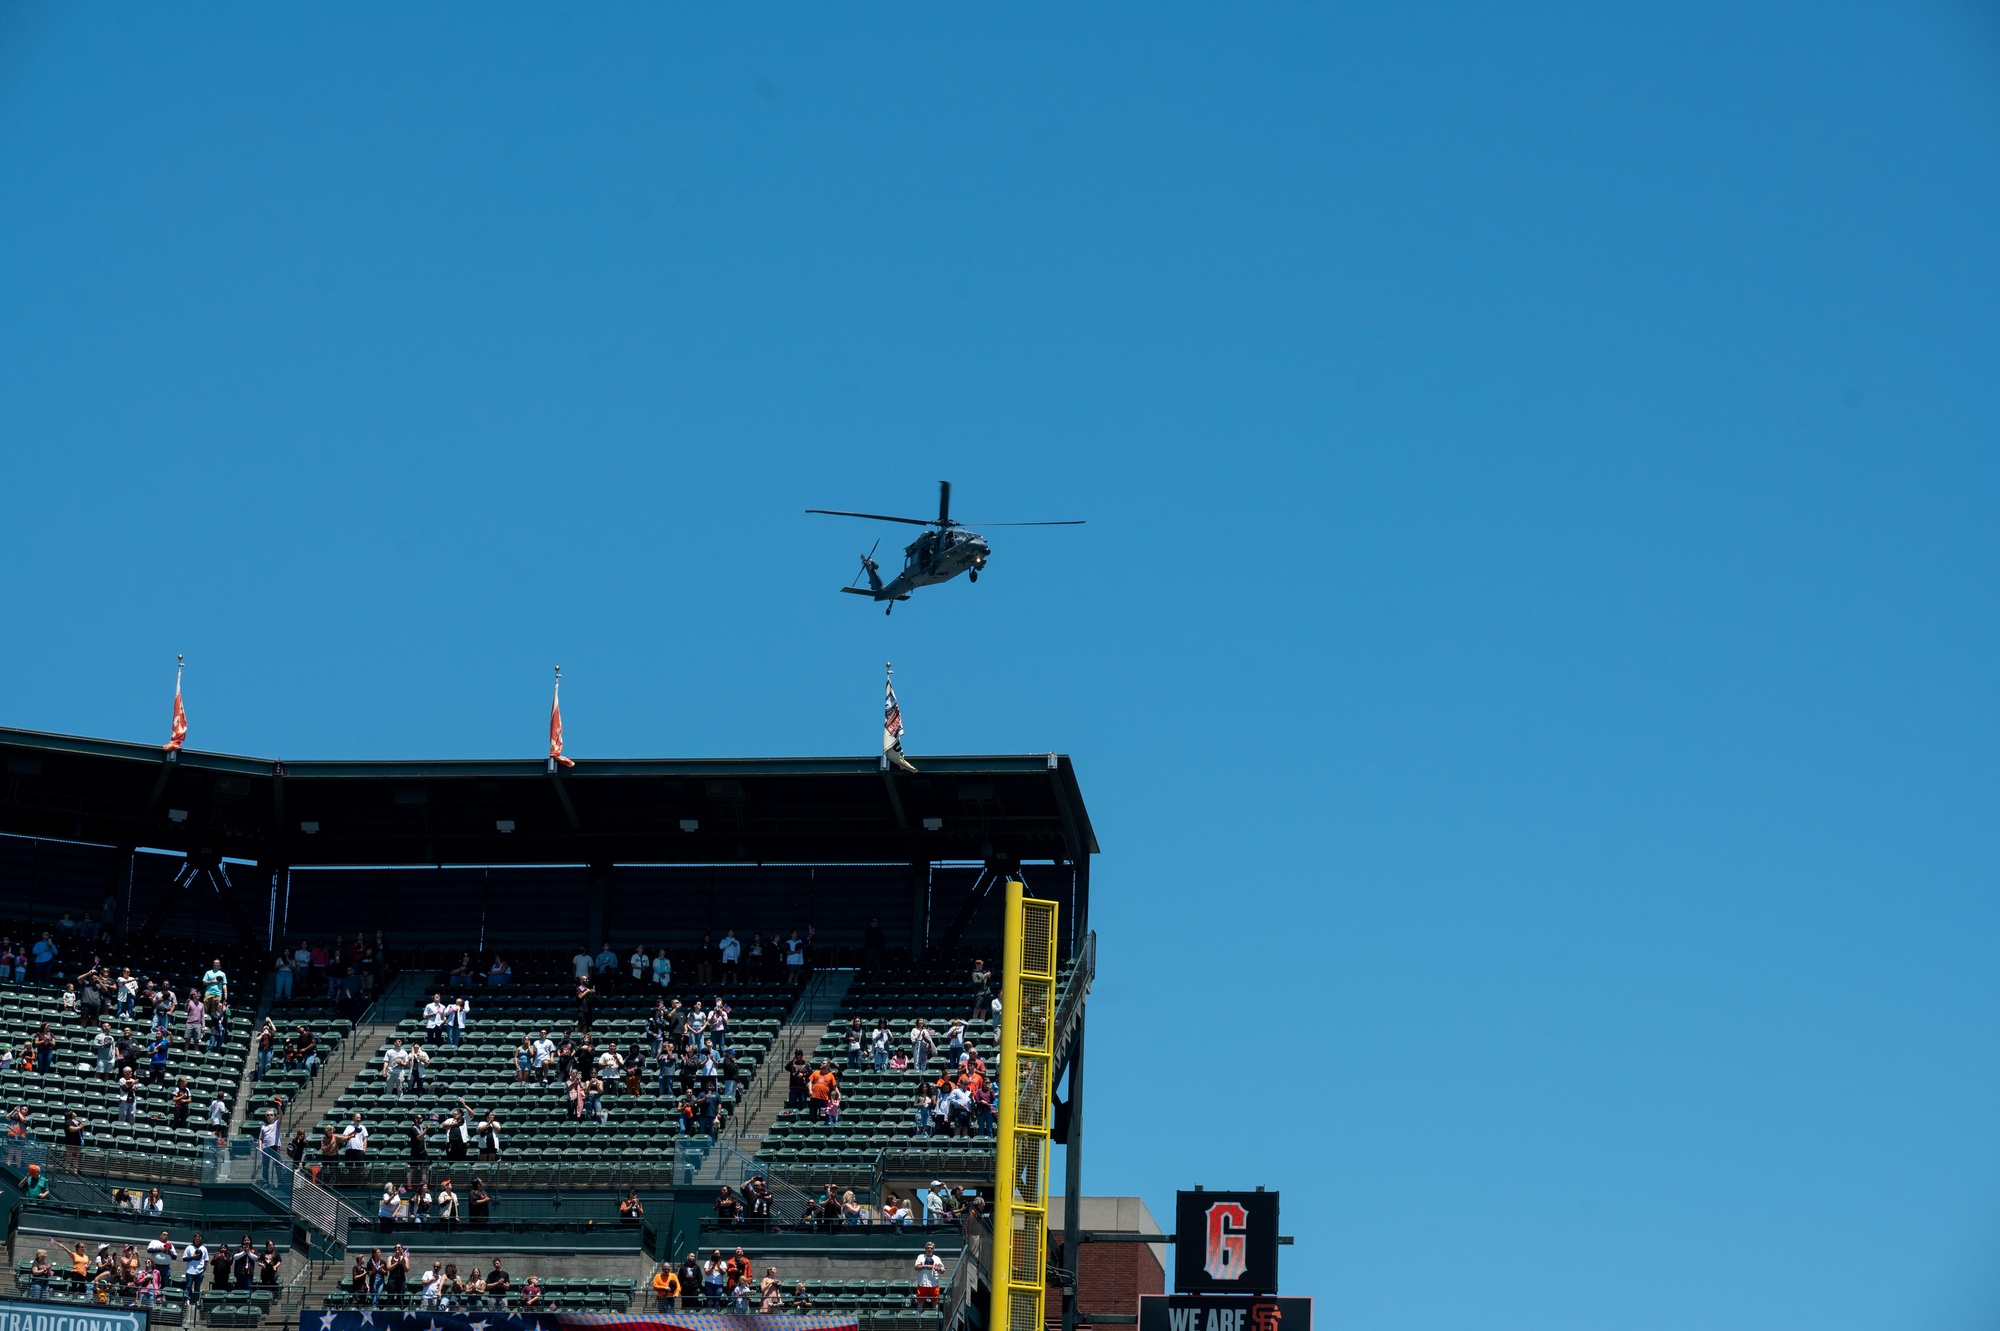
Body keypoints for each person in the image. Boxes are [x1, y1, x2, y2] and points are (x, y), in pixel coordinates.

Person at [181, 1233, 210, 1310]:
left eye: (199, 1237)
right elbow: (184, 1258)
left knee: (197, 1287)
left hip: (199, 1272)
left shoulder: (204, 1248)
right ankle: (187, 1299)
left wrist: (204, 1269)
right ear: (194, 1238)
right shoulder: (189, 1247)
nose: (198, 1239)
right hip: (190, 1271)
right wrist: (192, 1257)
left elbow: (206, 1260)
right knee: (188, 1286)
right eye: (196, 1237)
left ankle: (196, 1300)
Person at [914, 1241, 945, 1306]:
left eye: (931, 1248)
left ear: (933, 1249)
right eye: (928, 1248)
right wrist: (925, 1266)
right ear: (925, 1249)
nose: (929, 1249)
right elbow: (916, 1267)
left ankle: (935, 1315)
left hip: (933, 1284)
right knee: (920, 1302)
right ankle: (919, 1316)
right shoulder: (921, 1257)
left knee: (935, 1303)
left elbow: (942, 1270)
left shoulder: (937, 1258)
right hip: (922, 1283)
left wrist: (939, 1269)